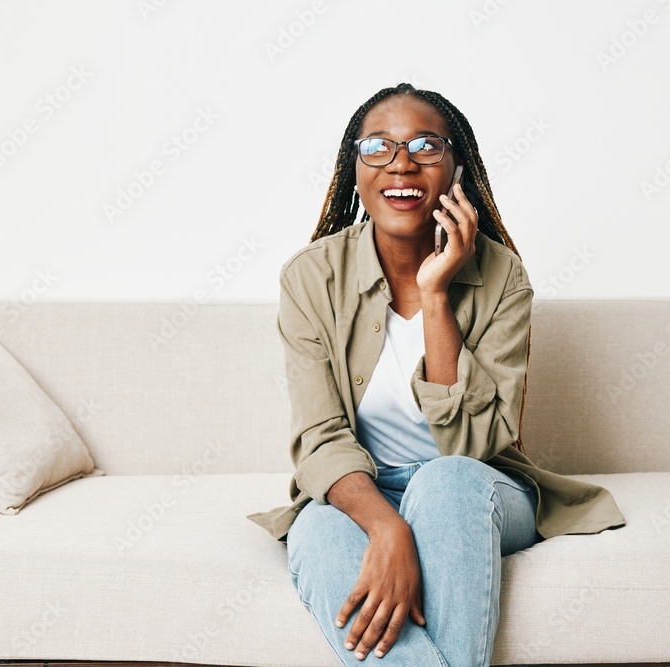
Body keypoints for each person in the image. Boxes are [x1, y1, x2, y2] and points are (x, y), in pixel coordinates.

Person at [247, 82, 626, 666]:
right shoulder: (310, 279)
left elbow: (473, 449)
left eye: (426, 145)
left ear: (456, 170)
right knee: (318, 533)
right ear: (354, 170)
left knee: (445, 481)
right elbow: (320, 441)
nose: (401, 163)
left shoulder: (503, 278)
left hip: (479, 490)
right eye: (378, 147)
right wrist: (388, 530)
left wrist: (435, 295)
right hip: (365, 490)